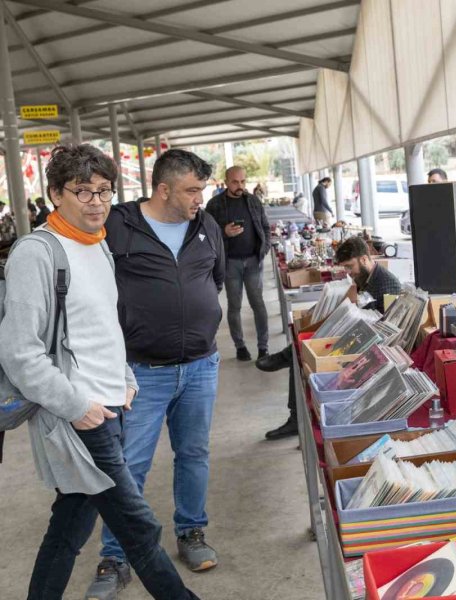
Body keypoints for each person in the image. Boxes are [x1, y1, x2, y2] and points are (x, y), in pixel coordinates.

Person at [0, 144, 198, 600]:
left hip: (110, 405)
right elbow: (19, 351)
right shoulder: (37, 252)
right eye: (83, 191)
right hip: (81, 415)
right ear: (55, 194)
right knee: (139, 529)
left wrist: (124, 380)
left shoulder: (98, 245)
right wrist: (77, 406)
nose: (96, 202)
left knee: (69, 526)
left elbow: (103, 327)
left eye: (105, 192)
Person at [89, 149, 225, 596]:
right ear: (163, 188)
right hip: (140, 371)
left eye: (201, 190)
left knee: (194, 454)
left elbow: (213, 281)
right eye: (190, 190)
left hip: (201, 366)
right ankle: (117, 553)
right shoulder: (118, 226)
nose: (198, 199)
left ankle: (191, 532)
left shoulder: (205, 226)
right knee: (129, 465)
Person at [255, 236, 402, 439]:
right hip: (356, 335)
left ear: (365, 259)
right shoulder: (364, 278)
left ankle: (293, 410)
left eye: (350, 267)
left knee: (303, 353)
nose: (349, 273)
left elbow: (385, 327)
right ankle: (294, 413)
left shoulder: (388, 285)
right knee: (304, 349)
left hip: (370, 348)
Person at [206, 166, 271, 362]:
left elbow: (266, 228)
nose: (240, 186)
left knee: (258, 305)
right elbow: (205, 233)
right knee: (234, 306)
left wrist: (264, 250)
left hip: (253, 261)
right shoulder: (215, 205)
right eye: (235, 182)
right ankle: (240, 346)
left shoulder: (253, 201)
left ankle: (263, 347)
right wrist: (223, 232)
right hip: (230, 263)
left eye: (243, 181)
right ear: (226, 182)